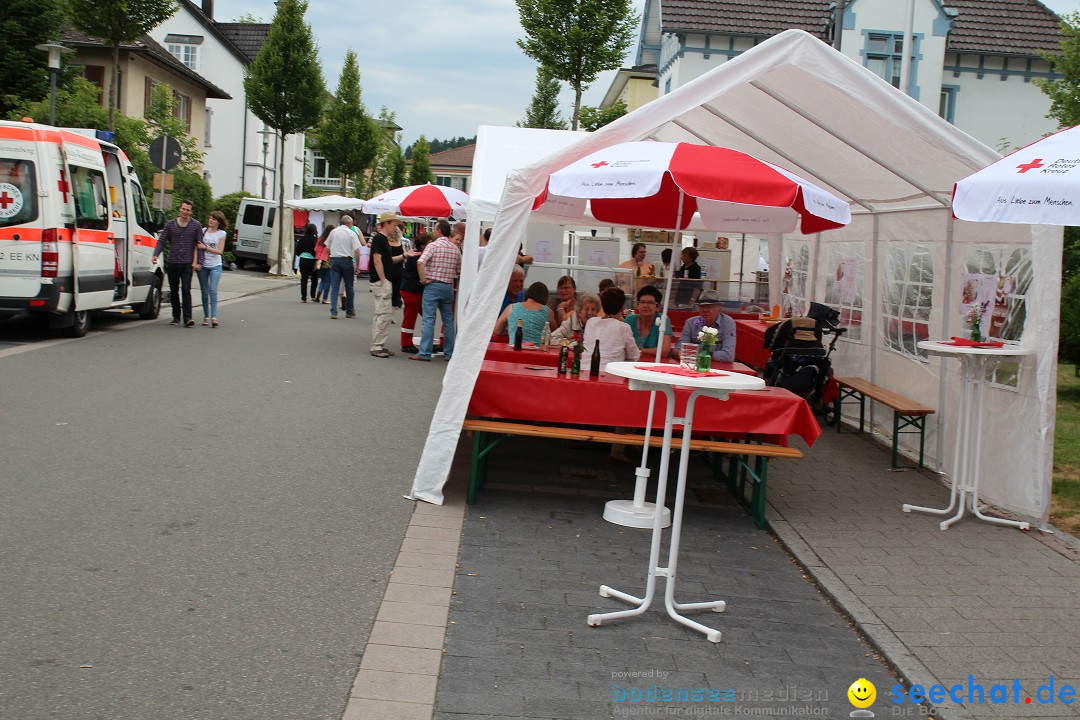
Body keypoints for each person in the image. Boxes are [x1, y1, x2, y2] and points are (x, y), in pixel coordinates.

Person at [412, 220, 462, 362]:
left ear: (439, 231)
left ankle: (424, 352)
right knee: (448, 320)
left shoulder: (433, 246)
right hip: (448, 286)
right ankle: (449, 353)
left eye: (435, 229)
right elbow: (459, 270)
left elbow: (420, 262)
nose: (433, 231)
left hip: (433, 285)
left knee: (428, 319)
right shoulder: (455, 249)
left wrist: (423, 280)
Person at [153, 199, 203, 327]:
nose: (185, 212)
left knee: (186, 289)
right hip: (173, 261)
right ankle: (176, 316)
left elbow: (200, 244)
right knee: (174, 291)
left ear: (191, 212)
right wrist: (155, 254)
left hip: (187, 262)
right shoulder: (170, 224)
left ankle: (188, 318)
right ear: (179, 209)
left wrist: (199, 262)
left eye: (188, 210)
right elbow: (162, 241)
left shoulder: (196, 225)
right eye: (183, 209)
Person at [369, 211, 403, 358]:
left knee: (384, 314)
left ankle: (379, 344)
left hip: (383, 280)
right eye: (394, 225)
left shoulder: (382, 239)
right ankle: (376, 346)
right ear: (386, 223)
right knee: (383, 314)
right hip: (381, 281)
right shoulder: (379, 239)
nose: (395, 228)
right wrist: (383, 280)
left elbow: (386, 261)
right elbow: (377, 260)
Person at [583, 286, 640, 372]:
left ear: (602, 305)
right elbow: (634, 356)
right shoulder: (623, 328)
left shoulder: (590, 322)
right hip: (610, 374)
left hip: (584, 370)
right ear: (622, 307)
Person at [676, 289, 736, 363]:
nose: (705, 310)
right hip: (693, 365)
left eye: (709, 307)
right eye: (702, 307)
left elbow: (728, 355)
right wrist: (680, 353)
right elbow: (678, 349)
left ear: (719, 308)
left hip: (718, 367)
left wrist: (702, 355)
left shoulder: (727, 323)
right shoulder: (692, 323)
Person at [325, 215, 361, 320]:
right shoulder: (351, 233)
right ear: (349, 223)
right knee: (349, 287)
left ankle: (334, 311)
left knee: (335, 287)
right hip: (347, 261)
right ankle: (349, 311)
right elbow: (357, 251)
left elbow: (327, 248)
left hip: (335, 260)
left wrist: (329, 258)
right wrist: (357, 266)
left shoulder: (333, 232)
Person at [195, 210, 227, 327]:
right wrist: (196, 262)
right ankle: (206, 315)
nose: (210, 221)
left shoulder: (221, 234)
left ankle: (214, 316)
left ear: (218, 222)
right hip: (203, 265)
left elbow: (219, 251)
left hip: (215, 265)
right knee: (204, 291)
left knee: (213, 289)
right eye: (210, 218)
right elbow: (197, 246)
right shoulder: (203, 231)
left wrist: (205, 247)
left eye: (213, 219)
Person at [625, 285, 673, 361]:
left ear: (658, 307)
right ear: (637, 305)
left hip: (655, 364)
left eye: (650, 303)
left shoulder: (662, 319)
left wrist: (639, 350)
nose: (645, 306)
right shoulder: (629, 320)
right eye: (642, 302)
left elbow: (664, 351)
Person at [400, 232, 429, 354]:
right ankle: (406, 343)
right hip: (412, 290)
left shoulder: (416, 255)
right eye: (429, 243)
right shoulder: (418, 257)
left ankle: (408, 341)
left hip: (412, 289)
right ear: (423, 246)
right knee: (410, 317)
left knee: (420, 315)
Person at [296, 223, 318, 303]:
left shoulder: (302, 239)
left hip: (303, 260)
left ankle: (303, 297)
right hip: (312, 260)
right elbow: (317, 251)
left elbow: (297, 251)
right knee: (314, 279)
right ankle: (313, 296)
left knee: (304, 279)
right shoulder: (315, 240)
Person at [314, 224, 333, 303]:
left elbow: (315, 249)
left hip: (320, 260)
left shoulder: (321, 239)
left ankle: (319, 292)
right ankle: (325, 298)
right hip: (328, 261)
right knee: (328, 279)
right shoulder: (332, 240)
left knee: (323, 279)